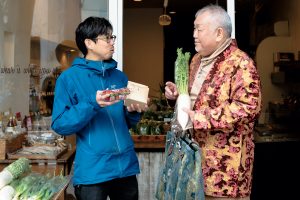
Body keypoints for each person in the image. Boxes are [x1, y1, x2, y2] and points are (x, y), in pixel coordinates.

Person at [165, 5, 261, 200]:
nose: (194, 34)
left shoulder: (240, 63)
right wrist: (177, 97)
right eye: (194, 28)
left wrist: (201, 117)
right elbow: (196, 101)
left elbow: (249, 108)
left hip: (225, 171)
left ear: (219, 33)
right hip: (195, 164)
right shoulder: (196, 60)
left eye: (199, 29)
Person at [51, 17, 145, 200]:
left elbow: (124, 123)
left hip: (125, 168)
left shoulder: (120, 77)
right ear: (89, 43)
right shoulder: (69, 79)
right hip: (93, 172)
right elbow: (60, 124)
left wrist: (133, 112)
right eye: (107, 38)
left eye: (113, 37)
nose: (112, 43)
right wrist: (92, 104)